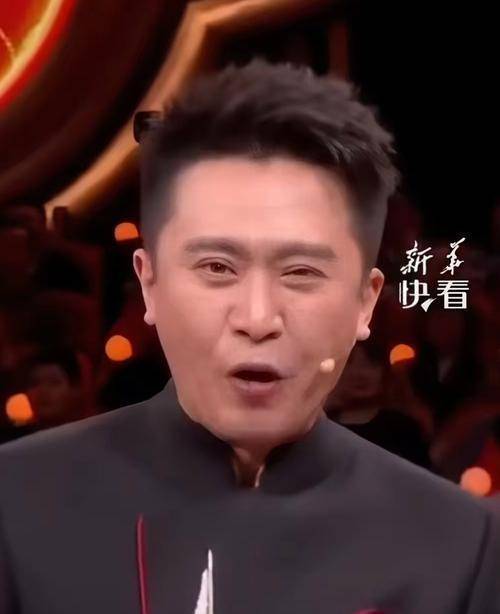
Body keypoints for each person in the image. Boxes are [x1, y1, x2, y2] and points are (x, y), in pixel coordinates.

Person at [0, 59, 499, 614]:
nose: (258, 318)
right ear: (150, 284)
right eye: (217, 267)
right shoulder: (15, 505)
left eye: (301, 272)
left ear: (365, 301)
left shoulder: (461, 546)